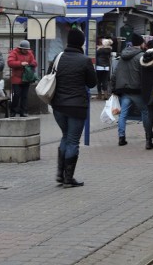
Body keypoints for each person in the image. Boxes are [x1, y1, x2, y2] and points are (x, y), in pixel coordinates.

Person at [50, 28, 97, 188]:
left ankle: (60, 174)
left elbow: (50, 76)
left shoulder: (58, 57)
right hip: (77, 106)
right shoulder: (84, 60)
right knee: (72, 141)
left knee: (65, 137)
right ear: (82, 43)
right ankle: (68, 178)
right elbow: (92, 83)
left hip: (58, 106)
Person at [111, 33, 151, 146]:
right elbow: (145, 75)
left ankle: (121, 137)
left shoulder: (122, 56)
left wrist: (113, 88)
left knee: (123, 114)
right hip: (136, 90)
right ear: (140, 44)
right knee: (145, 111)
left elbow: (115, 73)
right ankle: (148, 136)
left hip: (124, 90)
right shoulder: (141, 56)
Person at [7, 40, 38, 117]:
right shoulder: (14, 52)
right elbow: (10, 63)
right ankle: (13, 111)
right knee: (16, 95)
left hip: (26, 78)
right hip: (16, 78)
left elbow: (34, 61)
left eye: (27, 49)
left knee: (24, 96)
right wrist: (20, 63)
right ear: (20, 48)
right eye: (24, 49)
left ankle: (23, 112)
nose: (26, 51)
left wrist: (32, 63)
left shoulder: (29, 53)